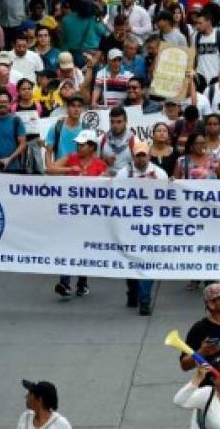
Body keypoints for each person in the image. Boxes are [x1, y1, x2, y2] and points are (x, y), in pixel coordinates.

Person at [48, 129, 108, 297]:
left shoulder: (100, 165)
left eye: (82, 145)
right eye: (78, 144)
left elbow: (107, 185)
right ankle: (64, 283)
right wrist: (68, 169)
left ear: (91, 146)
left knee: (85, 248)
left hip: (90, 215)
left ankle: (82, 283)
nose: (79, 147)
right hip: (70, 213)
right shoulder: (70, 158)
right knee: (67, 245)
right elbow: (50, 169)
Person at [114, 140, 166, 316]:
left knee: (147, 262)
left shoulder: (159, 173)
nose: (141, 159)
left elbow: (166, 199)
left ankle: (145, 299)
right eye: (138, 156)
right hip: (129, 226)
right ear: (133, 156)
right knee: (131, 260)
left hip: (151, 227)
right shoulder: (124, 174)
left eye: (144, 155)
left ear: (149, 156)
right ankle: (133, 292)